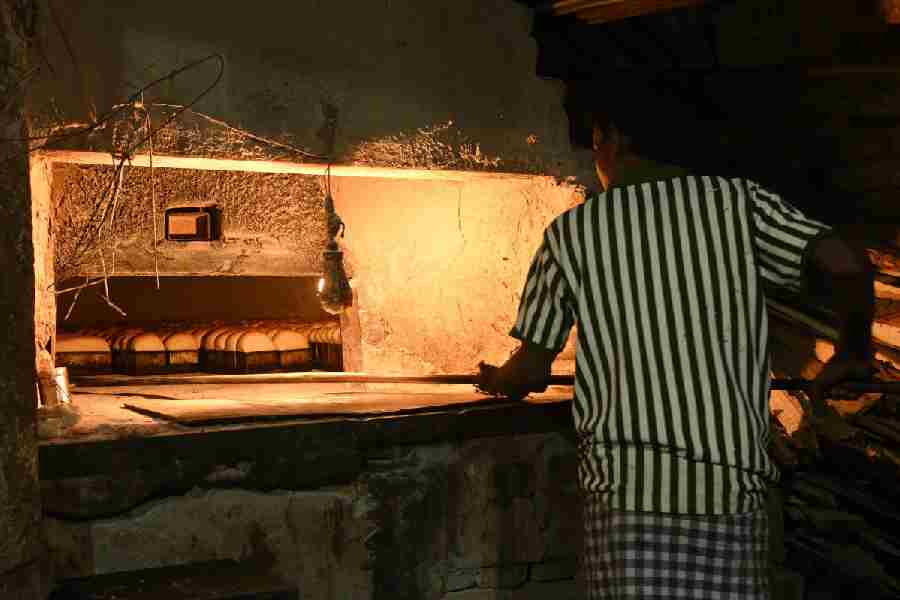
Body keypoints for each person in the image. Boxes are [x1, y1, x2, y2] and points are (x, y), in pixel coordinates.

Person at [477, 110, 874, 599]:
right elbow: (846, 261)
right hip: (731, 498)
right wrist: (853, 349)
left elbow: (530, 372)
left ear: (611, 139)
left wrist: (497, 379)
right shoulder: (738, 204)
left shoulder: (571, 233)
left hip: (628, 501)